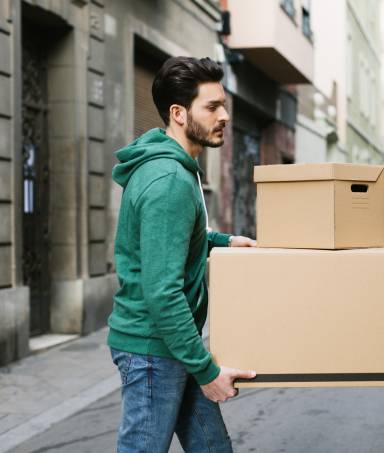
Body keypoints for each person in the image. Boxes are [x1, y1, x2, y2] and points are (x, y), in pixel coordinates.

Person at [108, 56, 256, 453]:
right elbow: (162, 291)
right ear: (178, 113)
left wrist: (220, 242)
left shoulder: (176, 167)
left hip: (173, 343)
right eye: (212, 107)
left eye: (223, 105)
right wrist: (206, 370)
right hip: (154, 349)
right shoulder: (169, 180)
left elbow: (171, 239)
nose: (223, 115)